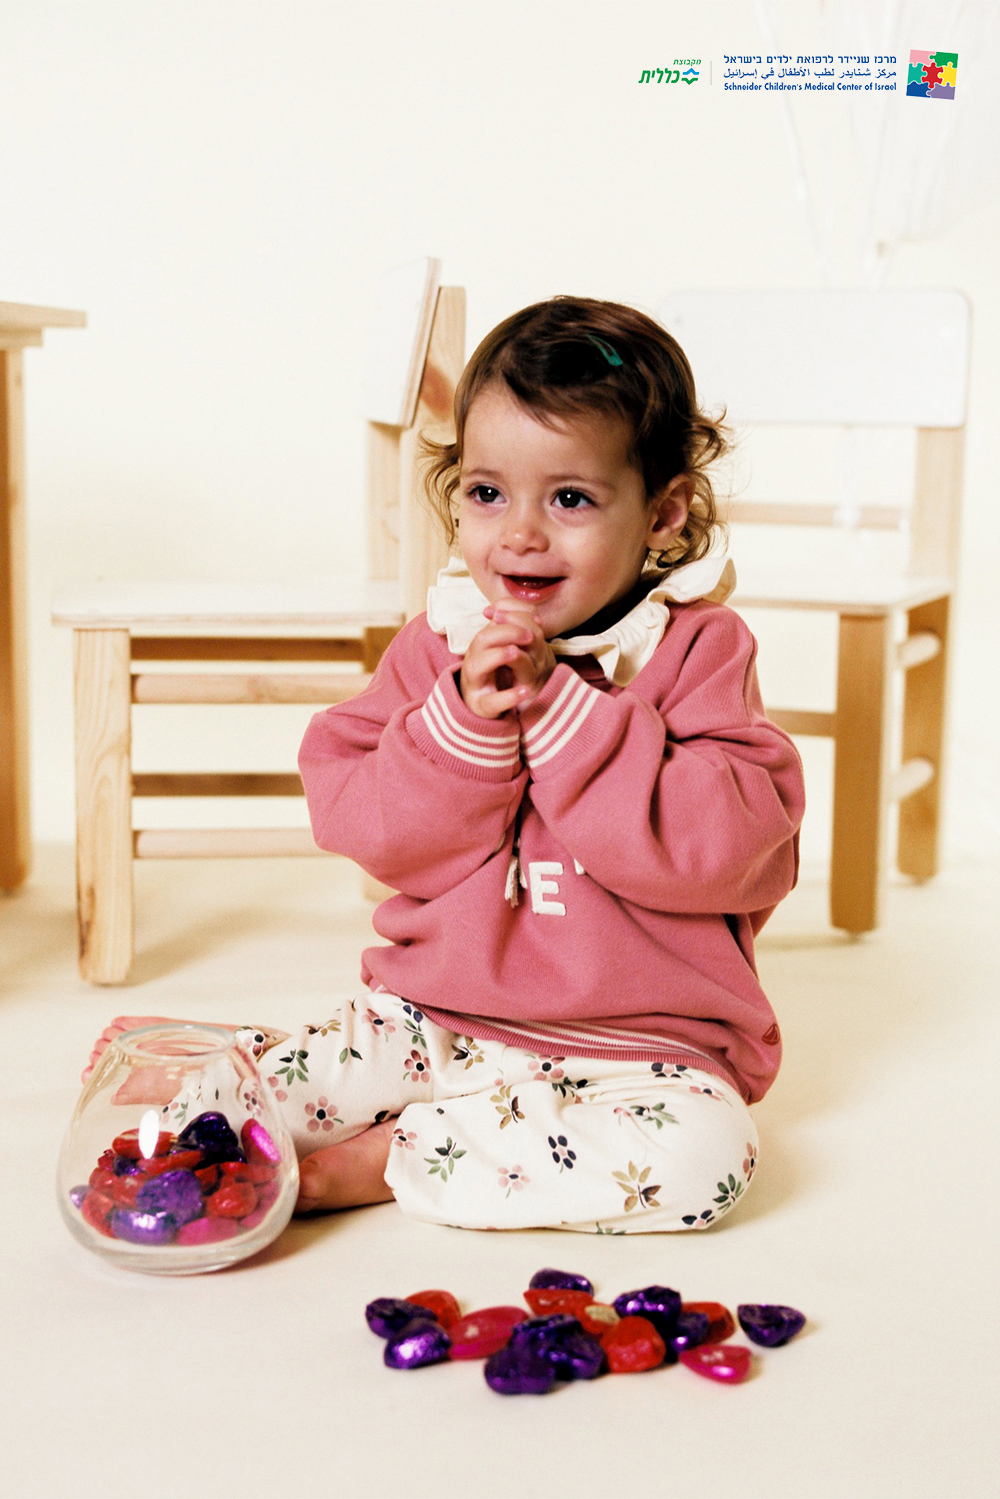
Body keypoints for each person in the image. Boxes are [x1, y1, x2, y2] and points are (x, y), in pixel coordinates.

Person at [86, 296, 805, 1235]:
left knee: (704, 1162)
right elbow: (361, 816)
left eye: (571, 499)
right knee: (207, 1113)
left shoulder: (697, 650)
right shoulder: (438, 648)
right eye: (487, 492)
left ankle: (401, 1154)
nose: (520, 533)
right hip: (433, 1017)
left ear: (663, 513)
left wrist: (567, 716)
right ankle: (256, 1058)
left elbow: (738, 846)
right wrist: (464, 725)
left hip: (641, 1048)